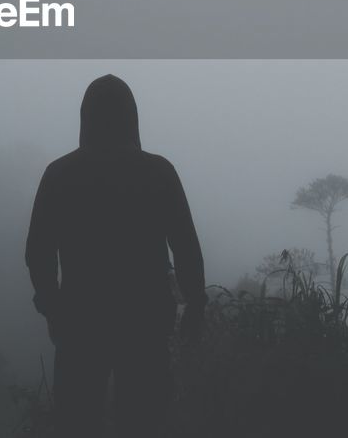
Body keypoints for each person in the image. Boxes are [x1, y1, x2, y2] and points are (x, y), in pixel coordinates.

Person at [25, 74, 207, 437]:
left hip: (80, 321)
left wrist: (52, 305)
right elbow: (185, 245)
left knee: (78, 421)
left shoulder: (60, 174)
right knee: (143, 421)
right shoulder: (158, 172)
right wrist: (195, 304)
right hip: (145, 323)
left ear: (85, 117)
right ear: (132, 117)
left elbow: (38, 251)